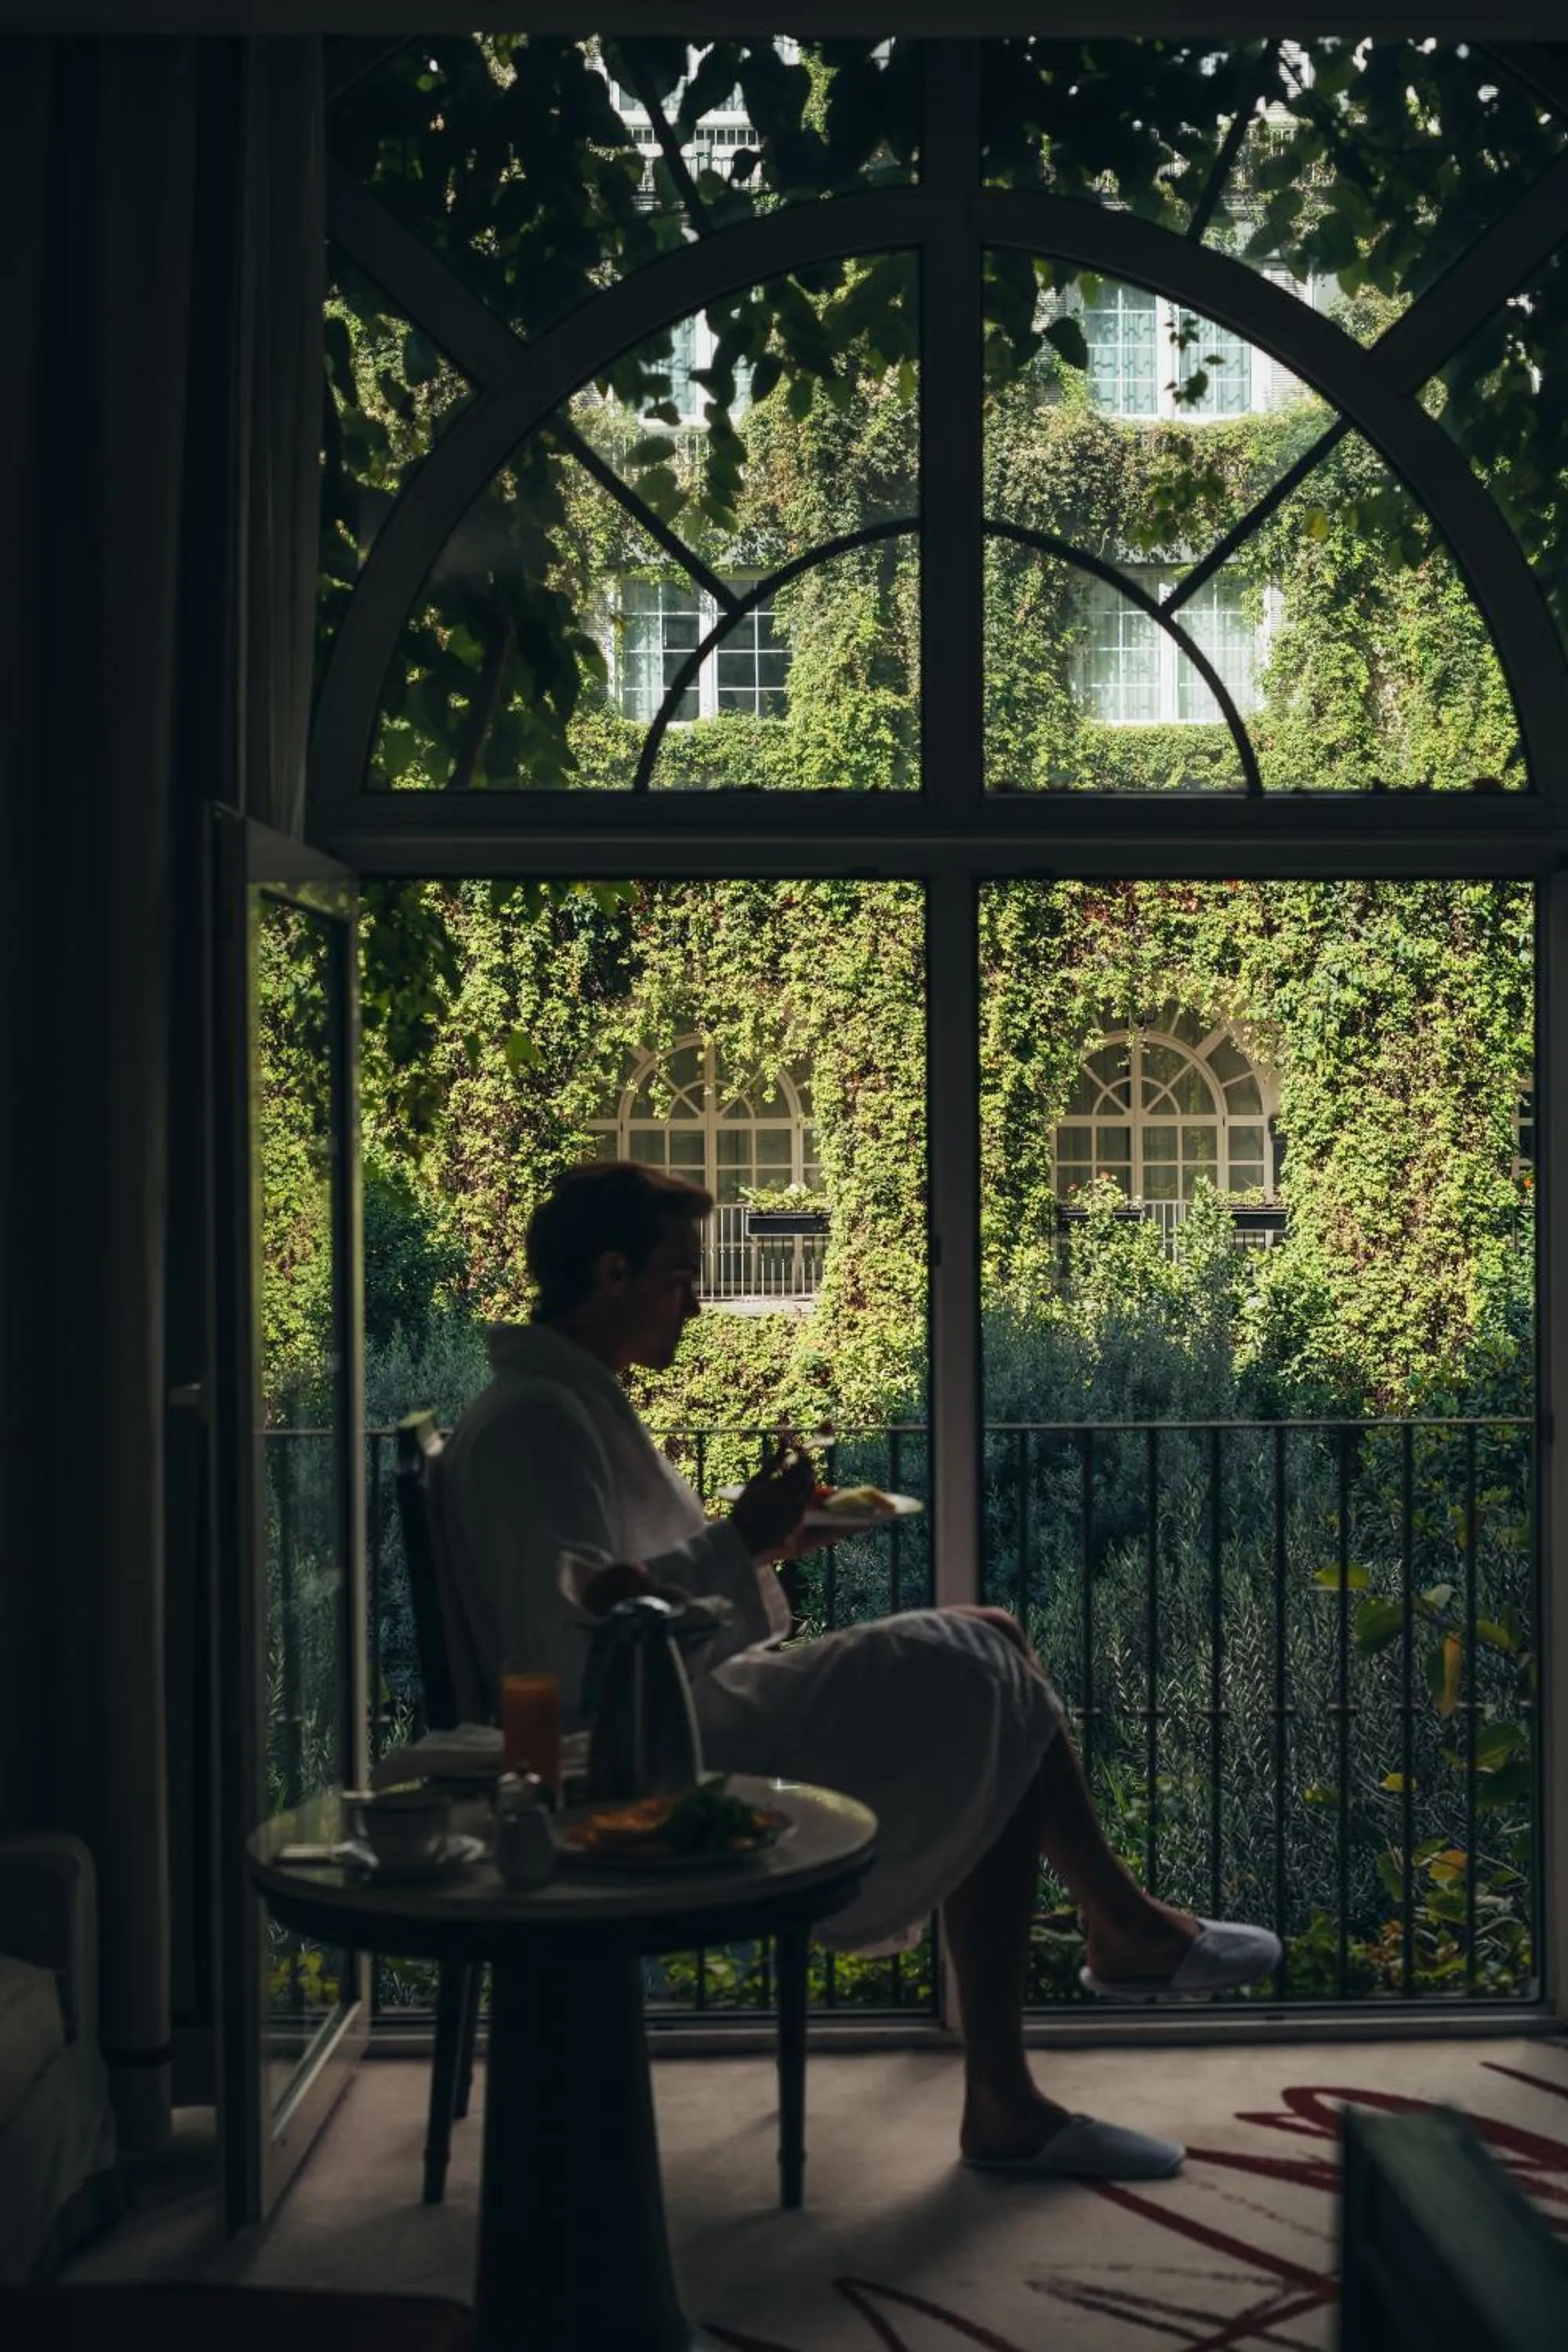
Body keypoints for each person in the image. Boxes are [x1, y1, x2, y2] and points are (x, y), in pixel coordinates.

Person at [438, 1160, 1281, 2180]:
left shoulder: (566, 1403)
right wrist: (735, 1539)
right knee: (982, 1670)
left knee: (993, 1642)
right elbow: (570, 1656)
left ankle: (1099, 1962)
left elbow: (614, 1592)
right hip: (645, 1746)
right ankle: (1078, 1995)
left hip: (683, 1705)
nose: (697, 1303)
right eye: (679, 1277)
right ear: (610, 1274)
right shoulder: (536, 1423)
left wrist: (759, 1549)